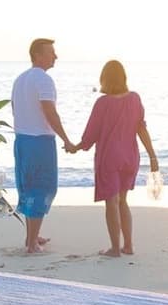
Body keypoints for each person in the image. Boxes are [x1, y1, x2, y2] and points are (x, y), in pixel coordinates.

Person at [70, 59, 158, 257]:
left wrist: (76, 147)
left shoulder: (103, 103)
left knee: (111, 202)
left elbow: (91, 134)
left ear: (104, 79)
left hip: (109, 157)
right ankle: (128, 245)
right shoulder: (134, 99)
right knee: (123, 201)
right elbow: (141, 128)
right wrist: (152, 156)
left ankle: (115, 249)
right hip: (130, 157)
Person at [11, 37, 72, 253]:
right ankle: (32, 244)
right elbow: (49, 112)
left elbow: (16, 110)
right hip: (39, 141)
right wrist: (66, 139)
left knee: (27, 187)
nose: (55, 56)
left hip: (22, 140)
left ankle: (31, 237)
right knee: (42, 188)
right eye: (51, 52)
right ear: (37, 55)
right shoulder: (43, 80)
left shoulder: (21, 79)